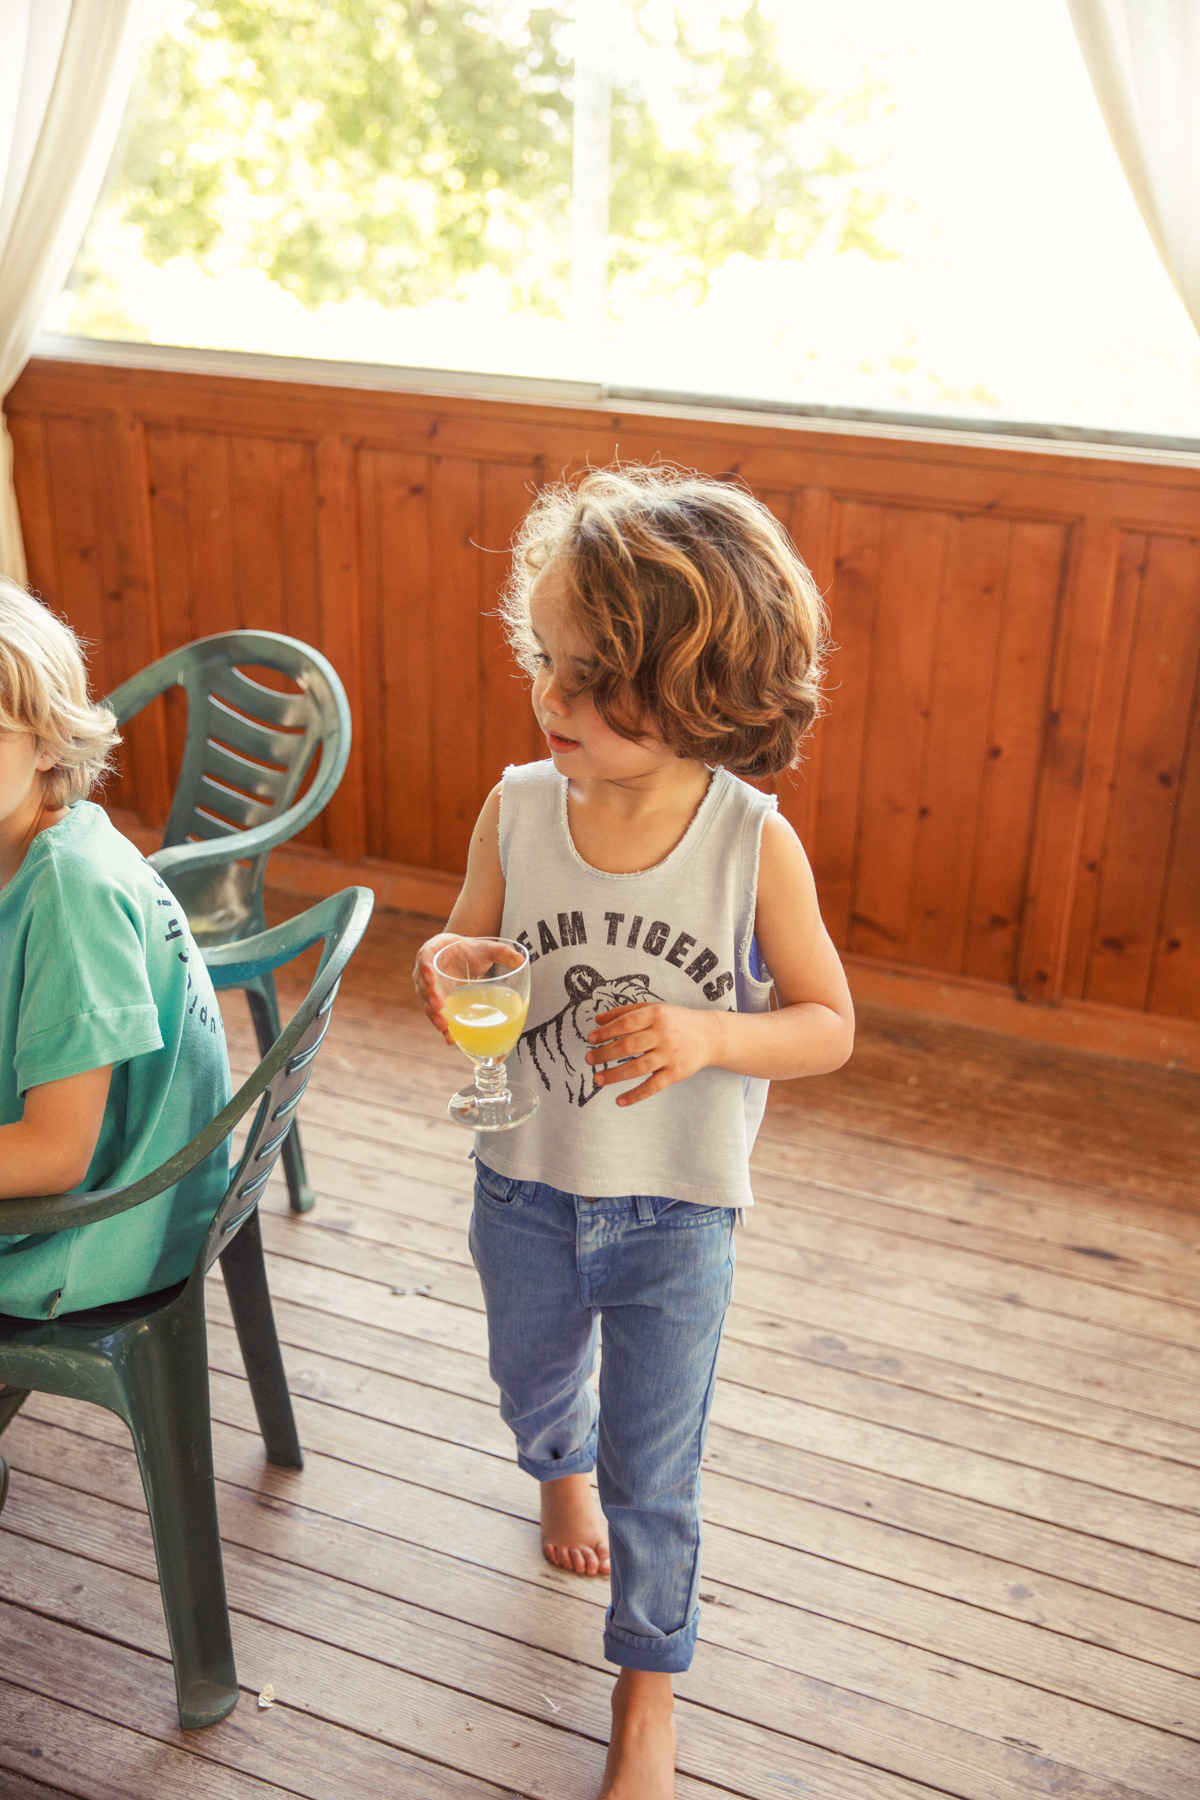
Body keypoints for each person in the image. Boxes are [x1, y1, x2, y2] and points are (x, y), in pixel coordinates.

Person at [413, 466, 854, 1799]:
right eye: (545, 659)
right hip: (524, 1186)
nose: (552, 698)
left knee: (656, 1468)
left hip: (677, 1217)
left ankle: (648, 1690)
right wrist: (450, 965)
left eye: (594, 675)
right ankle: (556, 1470)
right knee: (531, 1382)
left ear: (705, 685)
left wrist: (715, 1033)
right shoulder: (517, 804)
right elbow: (464, 937)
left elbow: (829, 1023)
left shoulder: (749, 844)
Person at [0, 579, 231, 1503]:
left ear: (50, 738)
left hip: (99, 1225)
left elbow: (58, 1154)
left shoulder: (71, 891)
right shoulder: (29, 838)